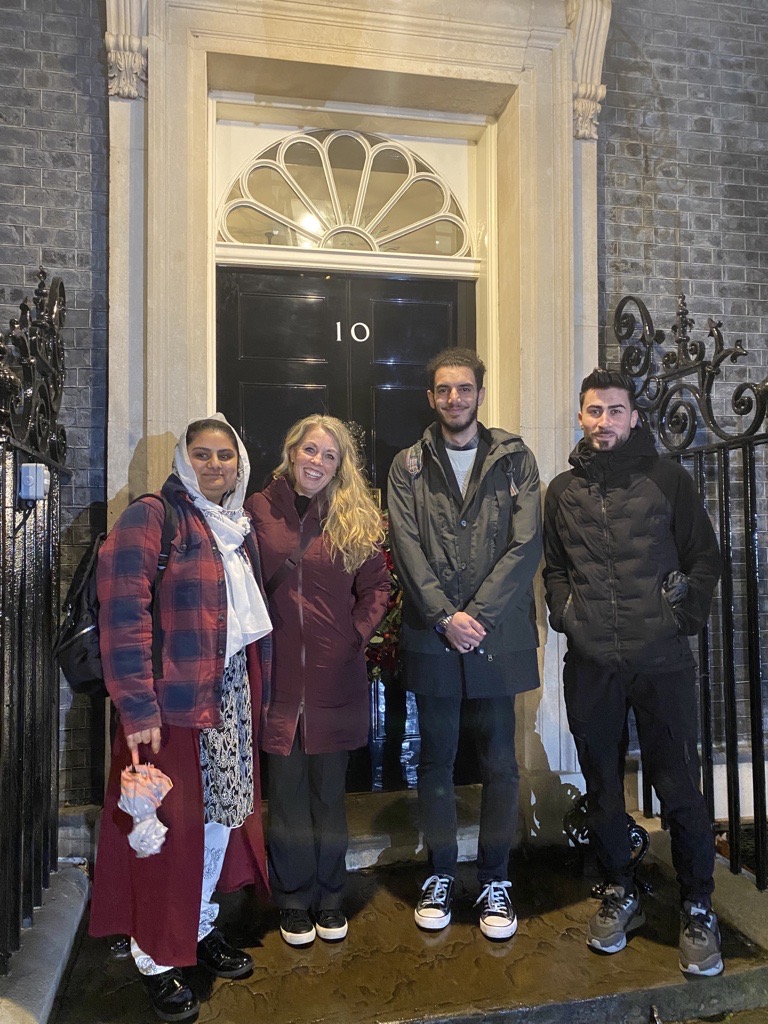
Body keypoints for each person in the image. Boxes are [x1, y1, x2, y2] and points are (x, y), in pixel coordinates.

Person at [89, 414, 273, 1022]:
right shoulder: (153, 515)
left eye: (225, 455)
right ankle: (154, 955)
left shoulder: (234, 526)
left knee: (217, 823)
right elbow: (121, 611)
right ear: (181, 459)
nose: (215, 464)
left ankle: (194, 929)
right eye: (202, 454)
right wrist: (136, 703)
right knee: (165, 834)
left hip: (229, 699)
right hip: (169, 706)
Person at [543, 368, 723, 976]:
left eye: (614, 412)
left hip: (661, 660)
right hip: (592, 662)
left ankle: (698, 904)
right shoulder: (562, 490)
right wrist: (565, 614)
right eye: (593, 411)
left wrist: (681, 618)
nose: (603, 422)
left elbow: (705, 557)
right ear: (581, 416)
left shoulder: (668, 479)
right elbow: (556, 565)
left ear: (634, 418)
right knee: (601, 783)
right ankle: (620, 887)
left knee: (678, 784)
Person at [387, 347, 542, 941]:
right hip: (434, 637)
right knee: (436, 763)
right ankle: (442, 874)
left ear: (480, 392)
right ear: (431, 398)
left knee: (502, 765)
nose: (454, 399)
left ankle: (497, 878)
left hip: (496, 637)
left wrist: (473, 615)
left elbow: (525, 543)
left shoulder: (515, 457)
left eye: (464, 389)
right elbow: (404, 544)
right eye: (443, 390)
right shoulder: (407, 465)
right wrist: (444, 616)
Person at [246, 415, 390, 947]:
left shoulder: (355, 517)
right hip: (278, 675)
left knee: (330, 794)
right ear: (291, 450)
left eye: (329, 456)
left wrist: (353, 635)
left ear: (339, 465)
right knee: (285, 796)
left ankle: (330, 895)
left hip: (335, 678)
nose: (317, 463)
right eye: (310, 451)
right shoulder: (257, 509)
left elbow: (377, 587)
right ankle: (292, 898)